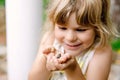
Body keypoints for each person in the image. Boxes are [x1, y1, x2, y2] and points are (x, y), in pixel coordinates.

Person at [28, 0, 120, 80]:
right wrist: (45, 60)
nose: (70, 38)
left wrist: (72, 69)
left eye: (80, 30)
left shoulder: (101, 51)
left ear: (98, 28)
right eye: (62, 28)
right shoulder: (50, 39)